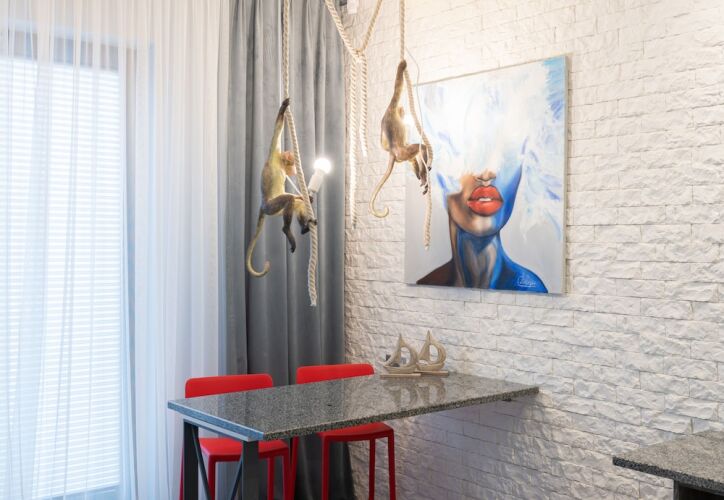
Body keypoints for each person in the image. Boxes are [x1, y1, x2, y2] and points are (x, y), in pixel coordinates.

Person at [417, 158, 548, 292]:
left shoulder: (533, 290)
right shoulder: (423, 291)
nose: (486, 175)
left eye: (507, 156)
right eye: (466, 153)